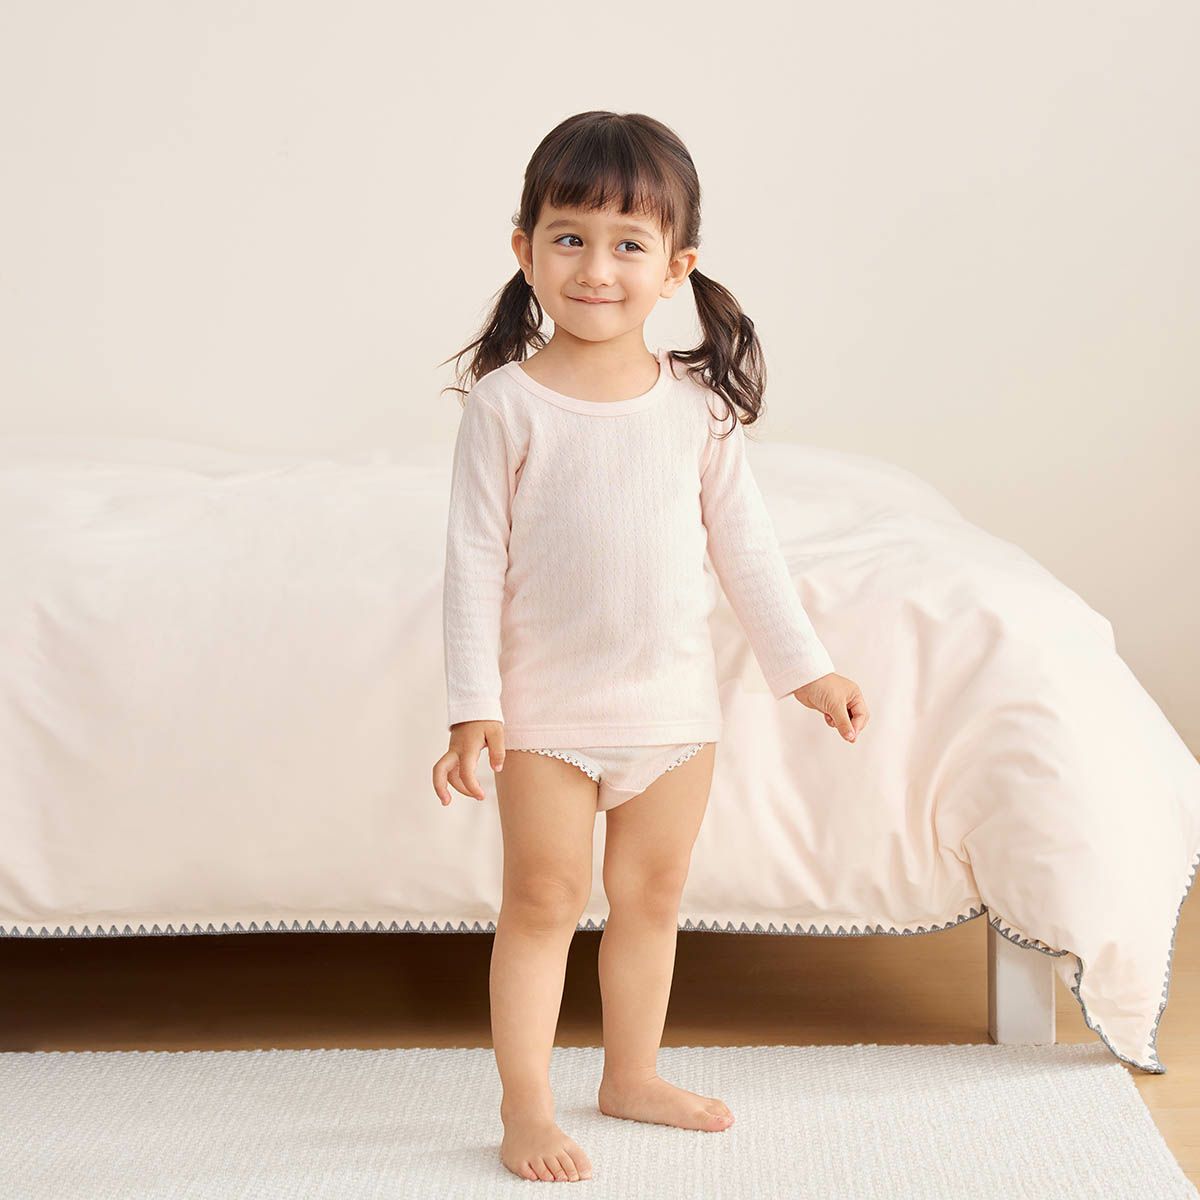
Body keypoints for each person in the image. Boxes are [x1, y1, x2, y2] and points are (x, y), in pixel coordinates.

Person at [431, 110, 870, 1184]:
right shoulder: (506, 406)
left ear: (676, 268)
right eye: (569, 237)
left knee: (652, 900)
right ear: (525, 249)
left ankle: (631, 1075)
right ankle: (525, 1107)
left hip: (673, 713)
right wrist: (472, 704)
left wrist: (808, 671)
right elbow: (472, 561)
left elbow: (747, 552)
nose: (596, 267)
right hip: (547, 716)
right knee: (542, 902)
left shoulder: (697, 410)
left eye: (628, 244)